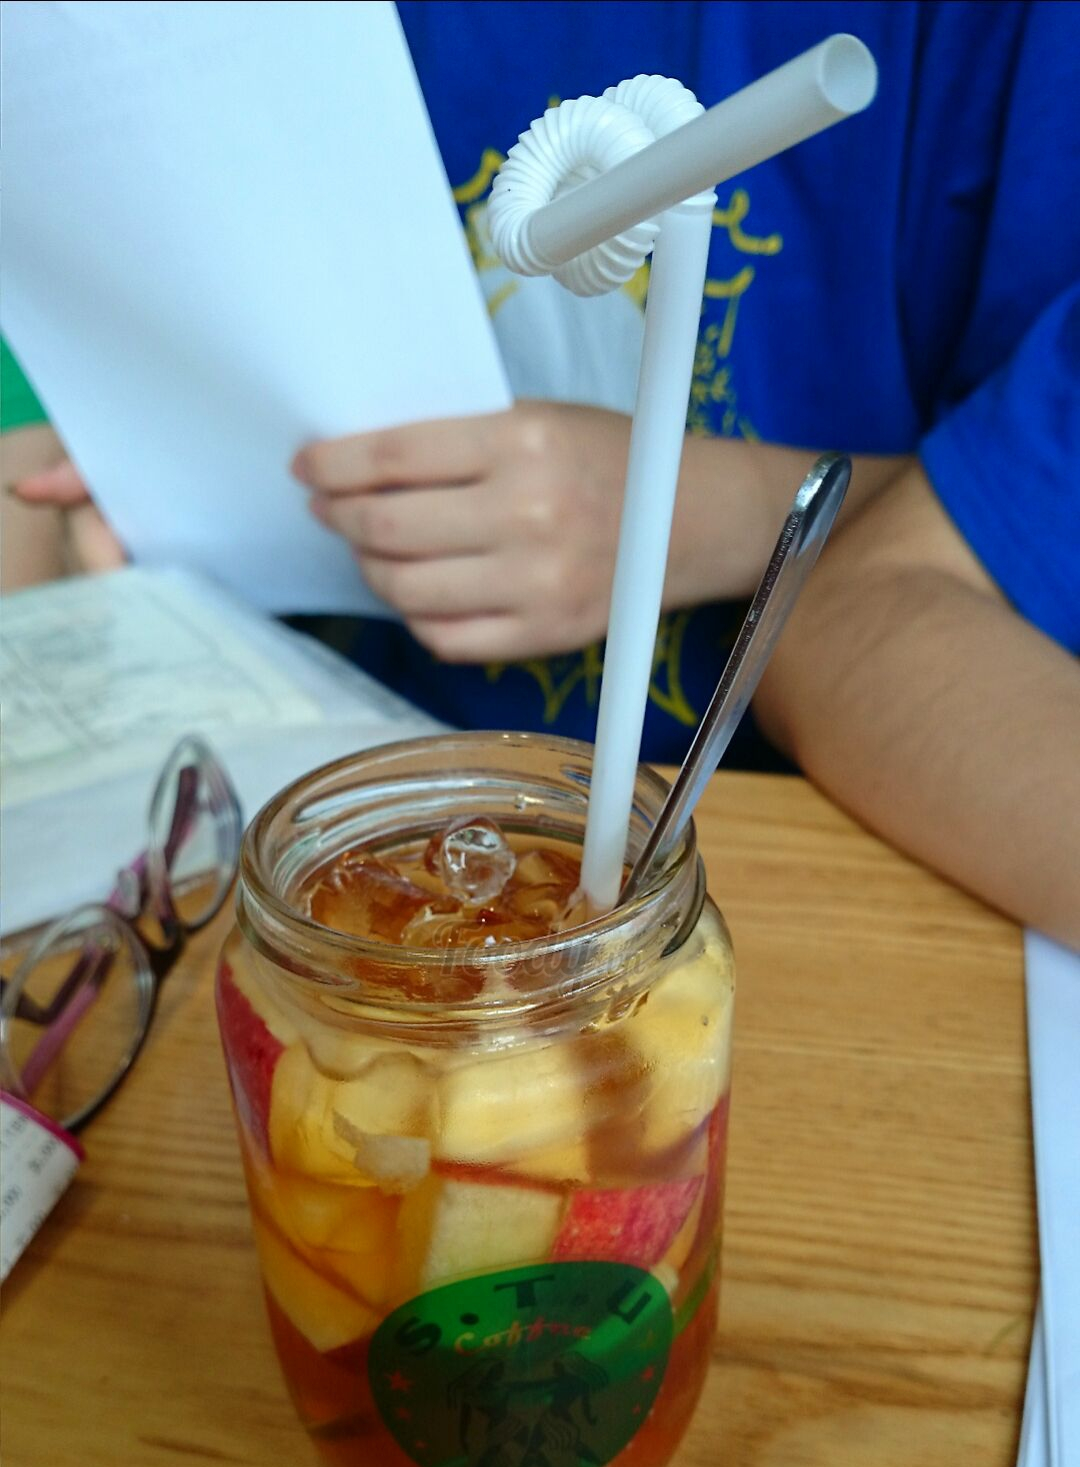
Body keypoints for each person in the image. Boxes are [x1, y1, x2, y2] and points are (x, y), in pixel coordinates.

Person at [10, 0, 1080, 946]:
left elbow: (994, 517)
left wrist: (707, 507)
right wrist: (140, 483)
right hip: (297, 811)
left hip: (810, 852)